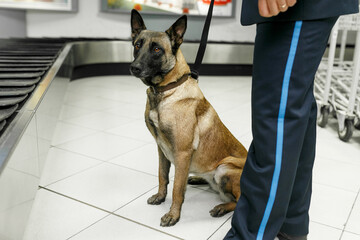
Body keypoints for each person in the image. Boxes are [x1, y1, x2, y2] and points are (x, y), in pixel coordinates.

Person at [224, 0, 359, 240]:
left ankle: (249, 234)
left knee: (277, 115)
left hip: (299, 7)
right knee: (292, 108)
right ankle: (291, 223)